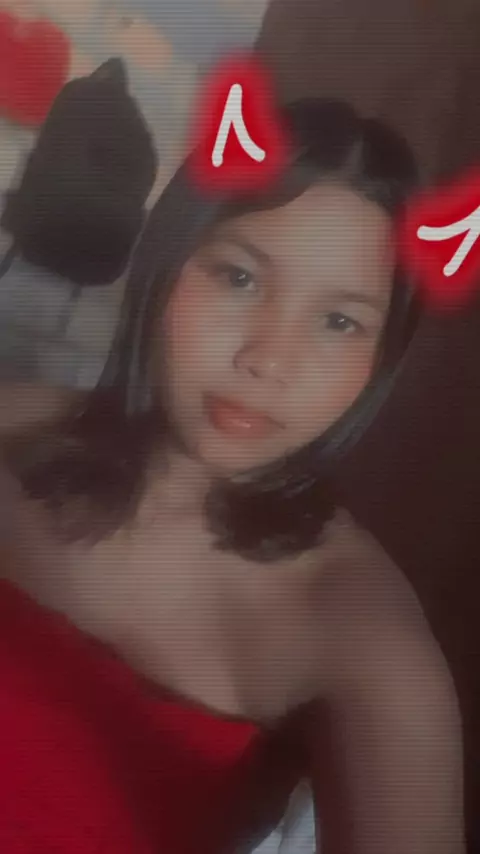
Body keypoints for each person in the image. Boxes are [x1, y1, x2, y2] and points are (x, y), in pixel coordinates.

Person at [0, 99, 465, 854]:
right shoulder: (12, 429)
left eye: (339, 322)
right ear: (166, 263)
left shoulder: (361, 640)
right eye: (240, 278)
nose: (269, 359)